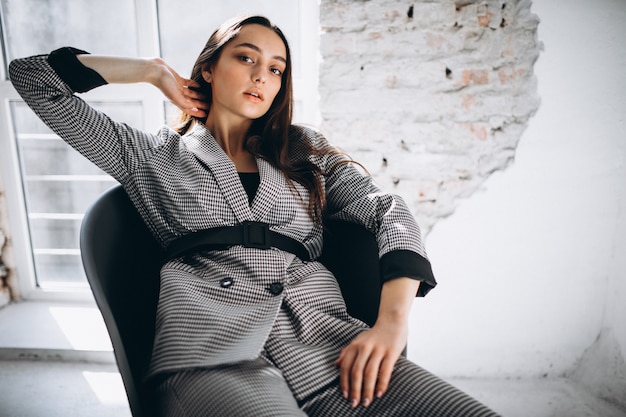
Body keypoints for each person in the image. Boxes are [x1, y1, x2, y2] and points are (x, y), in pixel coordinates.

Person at [10, 14, 499, 417]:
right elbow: (31, 78)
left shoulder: (303, 151)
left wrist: (392, 322)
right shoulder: (150, 156)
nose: (262, 75)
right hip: (211, 355)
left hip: (327, 343)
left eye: (276, 68)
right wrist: (152, 71)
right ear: (208, 68)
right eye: (245, 57)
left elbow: (385, 210)